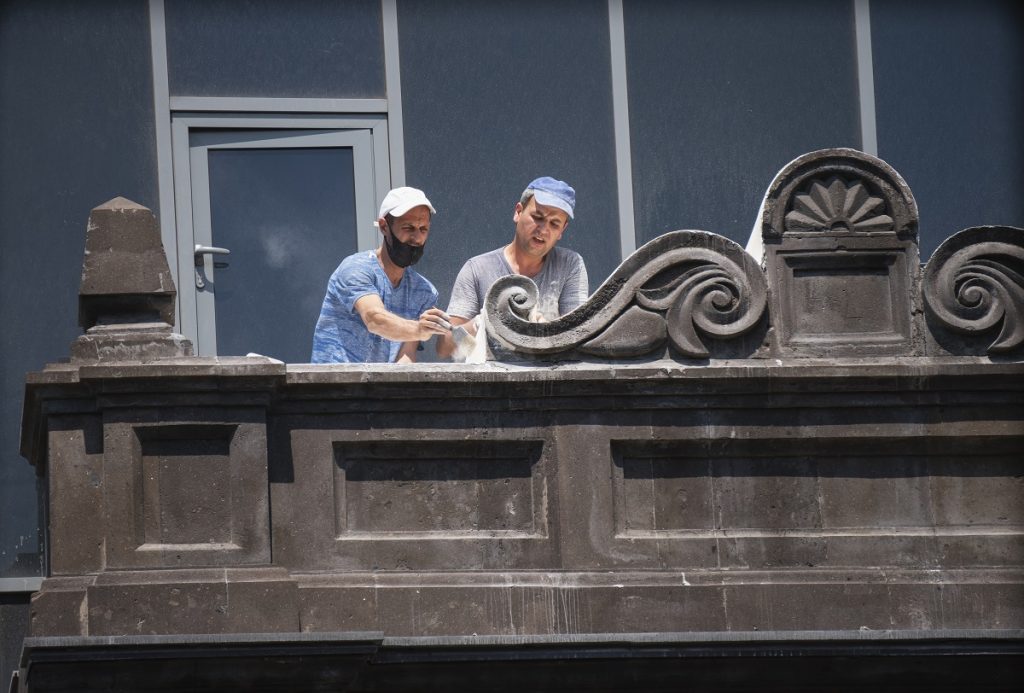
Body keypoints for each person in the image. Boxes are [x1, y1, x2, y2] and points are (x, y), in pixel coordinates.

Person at [438, 176, 588, 358]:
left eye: (554, 224)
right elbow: (445, 349)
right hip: (489, 380)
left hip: (549, 380)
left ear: (562, 231)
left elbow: (578, 337)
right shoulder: (477, 269)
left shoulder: (570, 265)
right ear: (518, 212)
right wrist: (482, 323)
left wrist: (545, 330)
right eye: (537, 217)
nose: (543, 229)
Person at [311, 186, 451, 363]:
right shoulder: (356, 268)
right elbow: (374, 319)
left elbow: (406, 355)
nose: (416, 238)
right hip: (332, 387)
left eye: (423, 229)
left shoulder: (425, 292)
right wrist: (420, 330)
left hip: (380, 389)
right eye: (408, 228)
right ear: (384, 226)